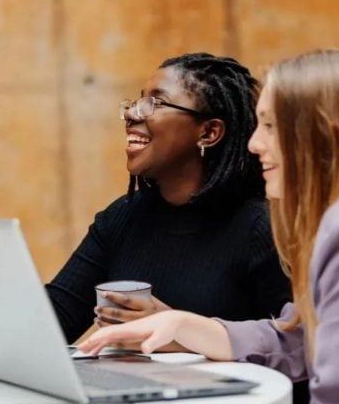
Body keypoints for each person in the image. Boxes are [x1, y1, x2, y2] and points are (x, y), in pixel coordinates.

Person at [79, 49, 339, 403]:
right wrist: (182, 325)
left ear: (323, 133)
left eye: (271, 126)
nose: (255, 144)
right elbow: (297, 338)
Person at [46, 53, 292, 342]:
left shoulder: (260, 228)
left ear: (209, 132)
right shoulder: (123, 217)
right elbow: (53, 320)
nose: (131, 113)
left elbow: (289, 352)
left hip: (227, 389)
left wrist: (179, 331)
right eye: (137, 101)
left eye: (156, 102)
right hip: (130, 386)